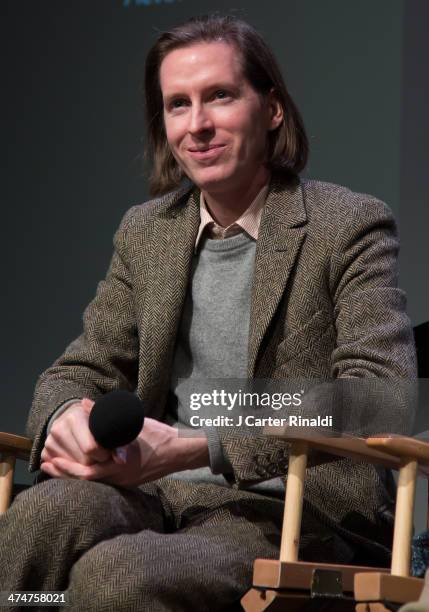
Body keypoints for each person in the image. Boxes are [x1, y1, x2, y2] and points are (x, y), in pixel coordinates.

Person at [0, 14, 417, 611]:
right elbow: (78, 369)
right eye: (177, 105)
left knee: (117, 575)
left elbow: (380, 396)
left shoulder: (345, 225)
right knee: (42, 514)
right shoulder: (148, 232)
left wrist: (205, 444)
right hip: (156, 493)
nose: (197, 125)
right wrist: (68, 414)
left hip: (289, 509)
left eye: (218, 96)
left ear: (271, 108)